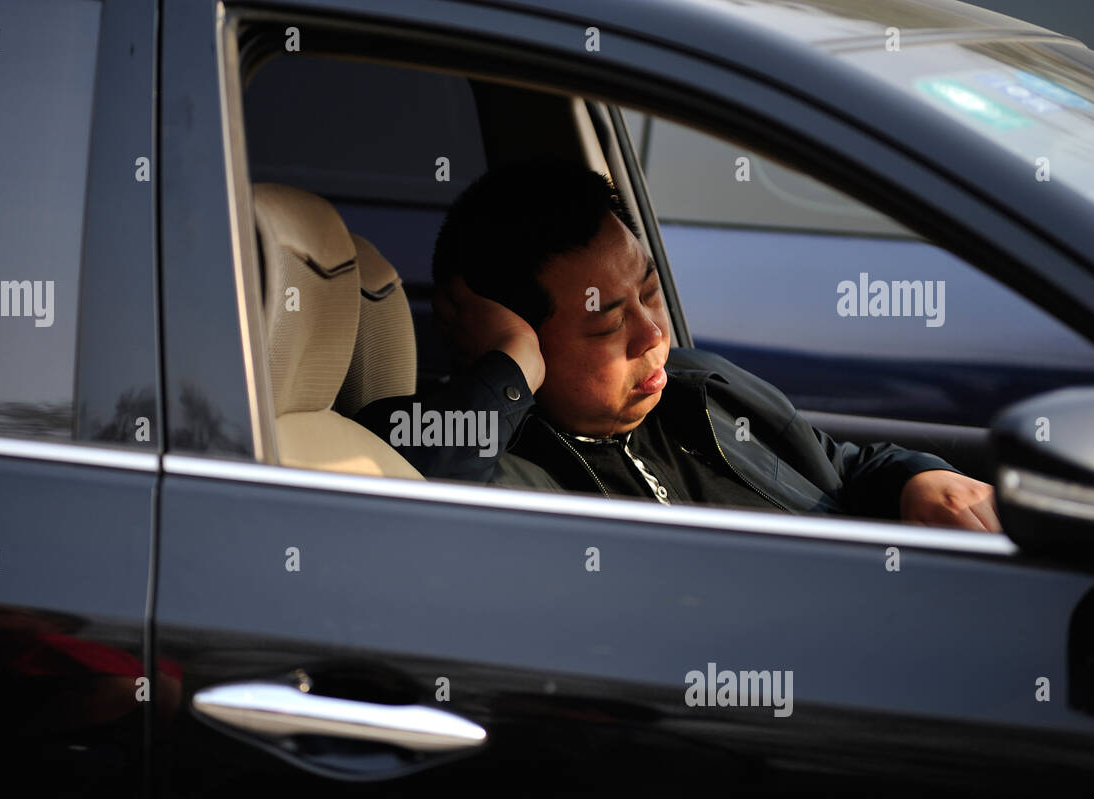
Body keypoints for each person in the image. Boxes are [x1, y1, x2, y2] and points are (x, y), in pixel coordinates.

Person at [355, 160, 1000, 530]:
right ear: (511, 334)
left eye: (651, 293)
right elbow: (408, 526)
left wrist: (919, 480)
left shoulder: (702, 392)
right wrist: (509, 366)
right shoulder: (440, 447)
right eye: (607, 322)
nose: (653, 335)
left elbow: (845, 469)